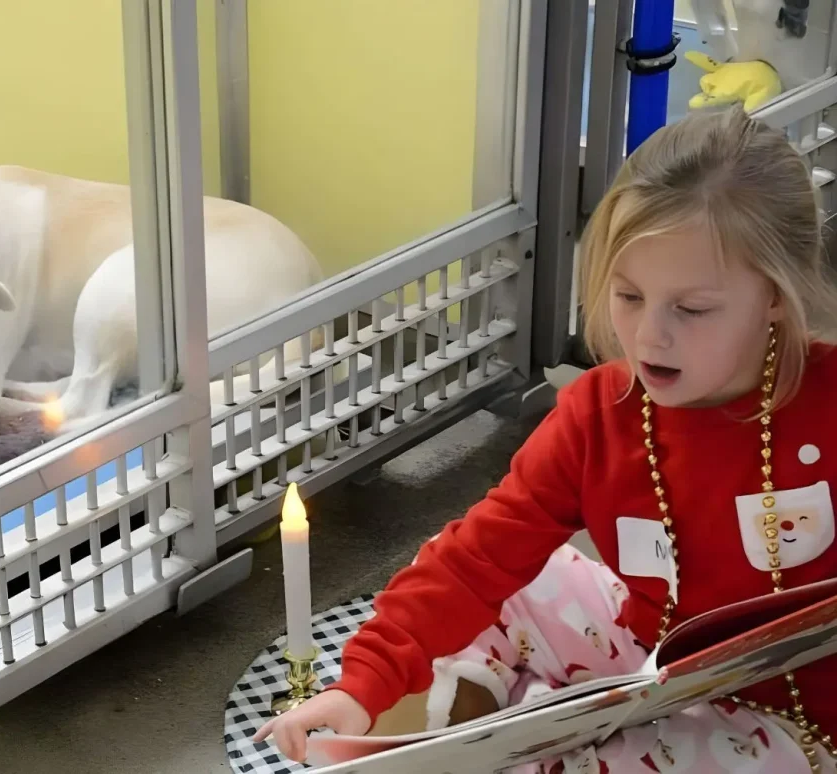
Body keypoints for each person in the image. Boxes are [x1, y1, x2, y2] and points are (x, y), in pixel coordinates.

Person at [253, 105, 837, 772]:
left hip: (795, 725)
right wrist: (359, 689)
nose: (650, 335)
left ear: (776, 296)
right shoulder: (599, 412)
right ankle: (463, 742)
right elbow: (475, 561)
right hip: (649, 663)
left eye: (692, 308)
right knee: (506, 581)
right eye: (628, 296)